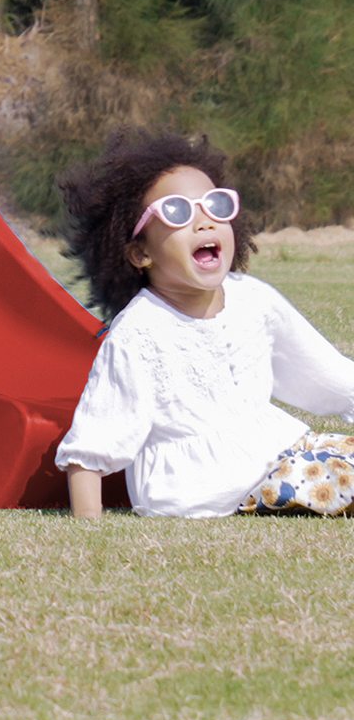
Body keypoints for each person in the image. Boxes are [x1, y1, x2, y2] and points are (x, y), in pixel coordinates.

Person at [52, 131, 354, 517]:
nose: (204, 222)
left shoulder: (253, 299)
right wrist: (88, 531)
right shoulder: (139, 332)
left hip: (281, 451)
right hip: (207, 485)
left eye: (216, 205)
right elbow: (94, 441)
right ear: (140, 252)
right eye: (177, 212)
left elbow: (328, 376)